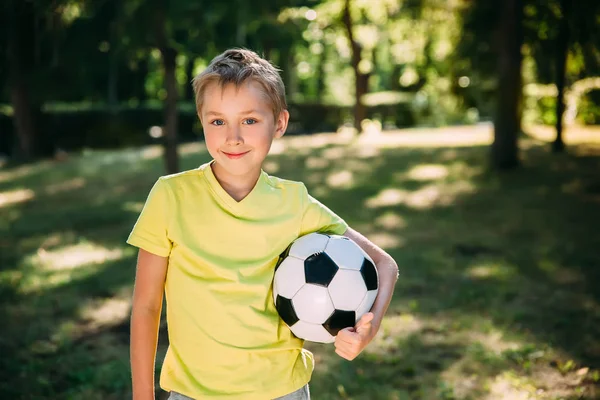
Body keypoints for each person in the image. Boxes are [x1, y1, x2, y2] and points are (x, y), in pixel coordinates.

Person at [127, 48, 399, 400]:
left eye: (250, 120)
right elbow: (147, 306)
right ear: (202, 121)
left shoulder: (295, 204)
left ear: (280, 124)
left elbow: (384, 264)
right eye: (218, 121)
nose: (233, 137)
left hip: (281, 392)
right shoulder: (170, 196)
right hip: (192, 393)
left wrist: (368, 329)